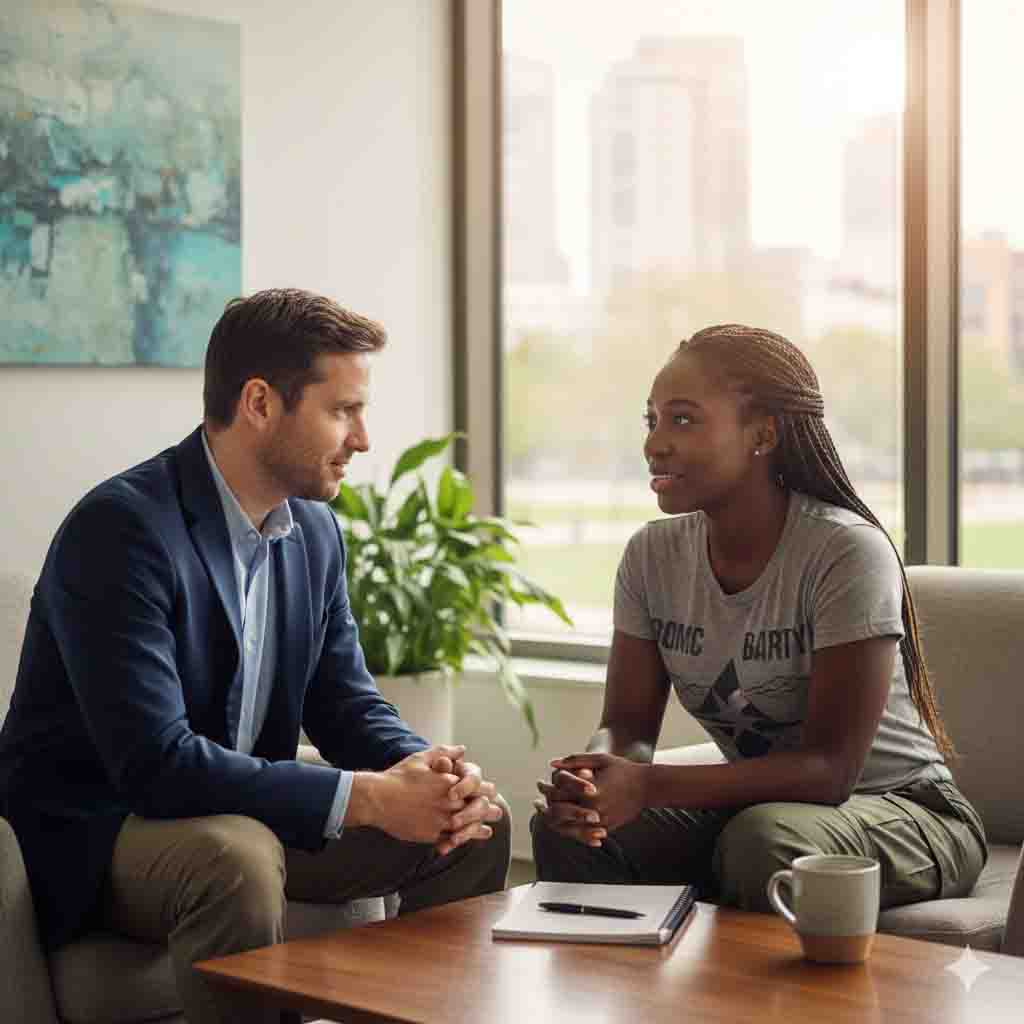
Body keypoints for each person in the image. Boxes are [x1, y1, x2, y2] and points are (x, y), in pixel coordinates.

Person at [0, 288, 510, 1024]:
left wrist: (429, 773)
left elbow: (344, 702)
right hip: (104, 827)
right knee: (234, 859)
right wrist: (369, 797)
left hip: (242, 808)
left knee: (472, 825)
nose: (363, 439)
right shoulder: (120, 531)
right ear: (261, 403)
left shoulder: (315, 532)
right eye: (343, 411)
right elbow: (156, 765)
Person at [532, 324, 986, 916]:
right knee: (565, 829)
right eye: (652, 421)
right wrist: (596, 780)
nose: (655, 444)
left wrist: (645, 786)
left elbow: (829, 772)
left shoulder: (845, 552)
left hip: (907, 812)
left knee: (767, 842)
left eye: (685, 420)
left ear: (762, 433)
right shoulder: (651, 556)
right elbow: (628, 727)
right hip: (763, 812)